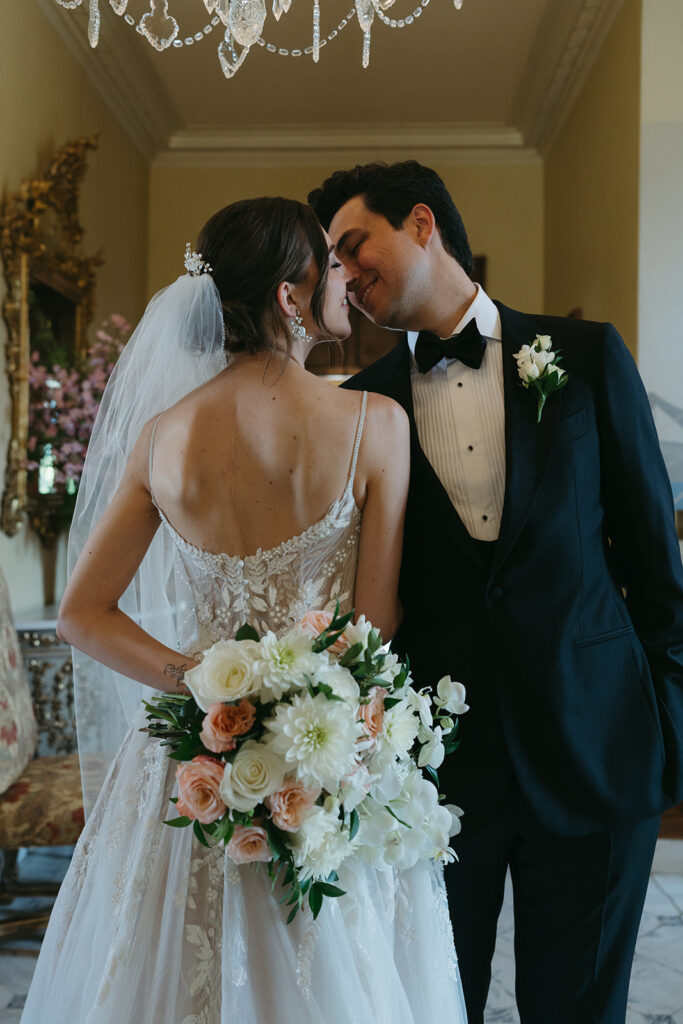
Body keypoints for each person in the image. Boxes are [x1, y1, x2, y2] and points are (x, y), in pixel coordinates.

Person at [20, 197, 468, 1024]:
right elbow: (373, 625)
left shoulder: (164, 436)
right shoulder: (377, 425)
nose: (346, 278)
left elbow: (83, 615)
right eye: (328, 265)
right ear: (289, 300)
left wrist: (212, 687)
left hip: (194, 765)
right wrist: (297, 703)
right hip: (327, 754)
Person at [308, 161, 683, 1024]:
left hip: (599, 753)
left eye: (351, 246)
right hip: (432, 785)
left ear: (421, 222)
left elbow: (659, 576)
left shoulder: (586, 357)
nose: (343, 277)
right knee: (435, 1006)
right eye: (330, 266)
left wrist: (665, 734)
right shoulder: (359, 409)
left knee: (581, 1010)